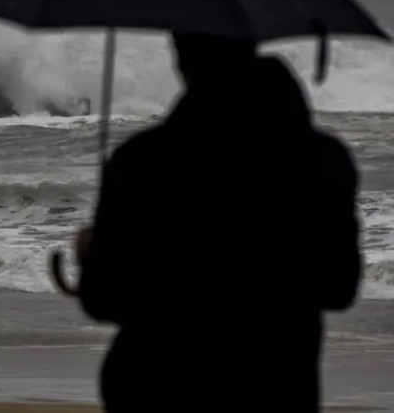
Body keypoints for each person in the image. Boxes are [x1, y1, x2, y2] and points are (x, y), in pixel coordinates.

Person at [75, 32, 363, 412]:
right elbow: (340, 288)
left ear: (181, 58)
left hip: (157, 388)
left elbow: (104, 298)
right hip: (276, 386)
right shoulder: (324, 158)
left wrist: (91, 254)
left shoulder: (144, 162)